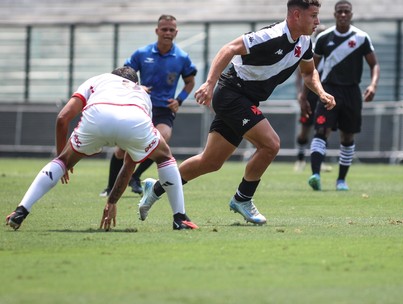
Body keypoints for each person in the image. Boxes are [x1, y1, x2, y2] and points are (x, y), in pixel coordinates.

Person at [136, 0, 335, 225]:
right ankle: (243, 198)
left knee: (210, 162)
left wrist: (321, 92)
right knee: (271, 144)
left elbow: (309, 73)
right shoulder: (271, 35)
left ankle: (155, 188)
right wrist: (209, 84)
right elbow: (229, 49)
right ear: (297, 15)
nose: (318, 21)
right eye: (314, 16)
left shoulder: (306, 42)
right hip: (231, 93)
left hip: (245, 99)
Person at [5, 67, 198, 231]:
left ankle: (21, 210)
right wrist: (112, 201)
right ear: (134, 82)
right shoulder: (142, 93)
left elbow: (63, 118)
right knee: (164, 157)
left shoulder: (98, 80)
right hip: (134, 118)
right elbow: (130, 162)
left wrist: (62, 158)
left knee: (61, 162)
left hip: (98, 116)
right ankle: (180, 218)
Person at [100, 14, 197, 197]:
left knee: (161, 140)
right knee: (122, 149)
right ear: (157, 31)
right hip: (141, 107)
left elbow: (190, 82)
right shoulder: (142, 53)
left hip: (164, 109)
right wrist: (137, 87)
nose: (167, 33)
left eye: (171, 30)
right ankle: (110, 187)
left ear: (176, 32)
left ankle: (135, 176)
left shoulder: (182, 57)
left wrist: (179, 100)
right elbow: (123, 75)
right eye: (164, 29)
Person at [306, 0, 380, 191]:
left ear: (351, 14)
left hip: (352, 92)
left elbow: (374, 64)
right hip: (329, 90)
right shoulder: (324, 38)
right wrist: (304, 94)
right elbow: (310, 68)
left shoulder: (361, 38)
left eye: (346, 11)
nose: (343, 15)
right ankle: (315, 175)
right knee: (321, 131)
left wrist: (372, 85)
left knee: (347, 136)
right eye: (340, 11)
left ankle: (341, 180)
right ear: (334, 14)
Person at [293, 25, 332, 173]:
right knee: (305, 128)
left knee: (323, 128)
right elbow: (300, 74)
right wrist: (300, 93)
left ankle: (319, 161)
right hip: (310, 94)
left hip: (324, 93)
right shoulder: (310, 50)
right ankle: (300, 159)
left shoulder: (330, 51)